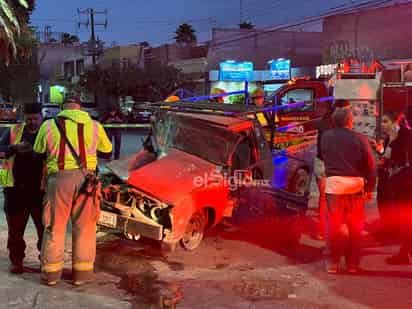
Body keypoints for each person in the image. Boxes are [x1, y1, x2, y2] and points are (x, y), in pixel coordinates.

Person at [34, 97, 112, 286]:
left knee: (54, 227)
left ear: (62, 109)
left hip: (59, 180)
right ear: (81, 108)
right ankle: (82, 275)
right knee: (85, 228)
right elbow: (107, 149)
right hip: (88, 182)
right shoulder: (94, 125)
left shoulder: (48, 125)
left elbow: (38, 150)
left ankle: (51, 275)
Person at [321, 107, 376, 274]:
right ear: (350, 121)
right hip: (355, 186)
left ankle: (332, 263)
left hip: (334, 185)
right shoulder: (360, 138)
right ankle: (352, 264)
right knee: (355, 226)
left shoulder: (326, 137)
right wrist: (369, 188)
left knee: (334, 226)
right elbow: (371, 166)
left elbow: (323, 156)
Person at [0, 103, 45, 274]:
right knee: (15, 232)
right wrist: (14, 148)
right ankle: (16, 261)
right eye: (29, 119)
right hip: (15, 190)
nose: (32, 122)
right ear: (24, 118)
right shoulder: (14, 131)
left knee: (44, 230)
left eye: (36, 118)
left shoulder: (48, 132)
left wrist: (35, 153)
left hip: (40, 190)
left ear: (41, 117)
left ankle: (45, 260)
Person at [374, 111, 412, 265]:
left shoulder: (404, 136)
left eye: (385, 121)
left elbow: (392, 157)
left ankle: (403, 253)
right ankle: (404, 252)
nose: (383, 125)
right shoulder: (399, 136)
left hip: (405, 183)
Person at [313, 100, 351, 240]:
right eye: (347, 109)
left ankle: (322, 231)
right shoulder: (335, 126)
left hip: (321, 163)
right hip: (328, 165)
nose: (349, 113)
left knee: (324, 199)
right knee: (333, 199)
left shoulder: (324, 121)